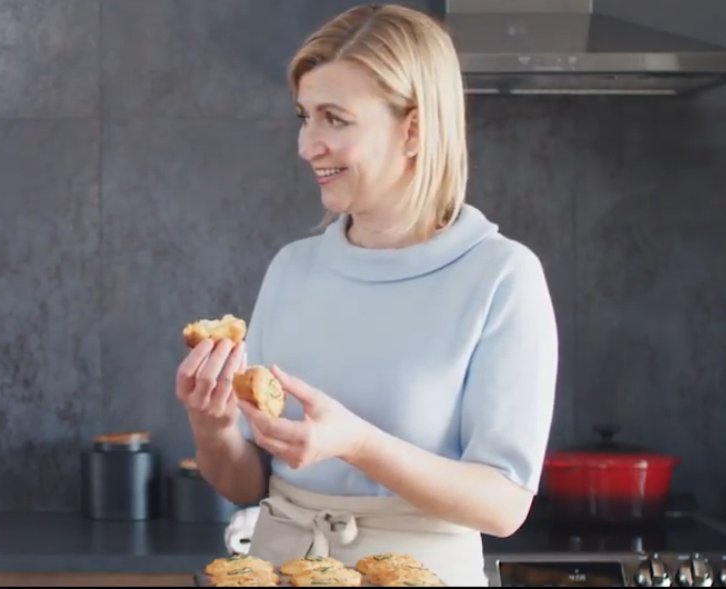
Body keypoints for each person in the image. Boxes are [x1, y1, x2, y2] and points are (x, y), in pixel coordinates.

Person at [176, 5, 557, 586]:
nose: (308, 145)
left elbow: (504, 506)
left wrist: (357, 443)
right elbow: (251, 483)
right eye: (304, 117)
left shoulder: (500, 276)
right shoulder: (293, 269)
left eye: (334, 119)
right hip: (283, 567)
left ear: (413, 129)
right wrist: (211, 424)